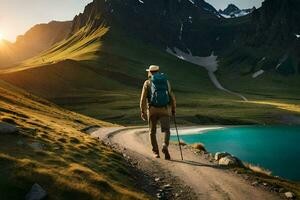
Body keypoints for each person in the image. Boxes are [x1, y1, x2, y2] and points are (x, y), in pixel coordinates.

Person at [140, 65, 176, 160]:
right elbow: (171, 95)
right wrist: (173, 108)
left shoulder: (147, 82)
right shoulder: (165, 81)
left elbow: (143, 99)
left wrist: (142, 111)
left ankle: (156, 152)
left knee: (152, 132)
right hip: (164, 109)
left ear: (150, 72)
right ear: (158, 71)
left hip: (152, 110)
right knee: (167, 130)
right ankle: (165, 145)